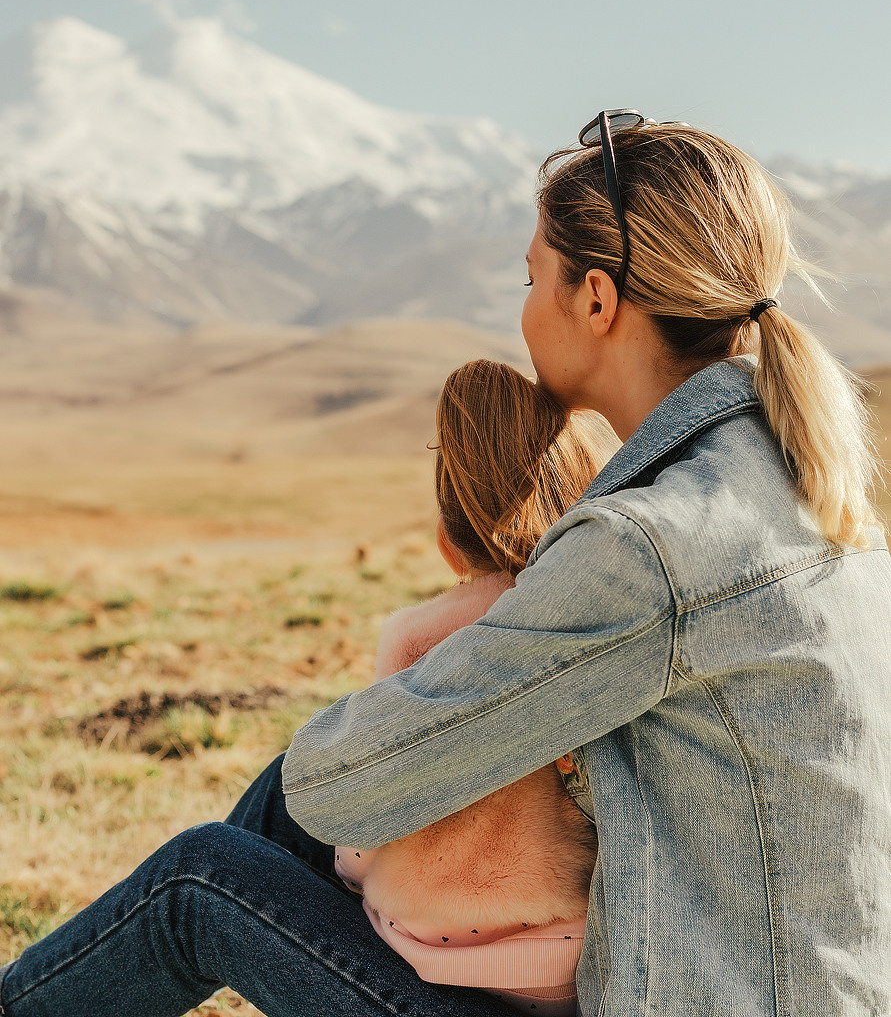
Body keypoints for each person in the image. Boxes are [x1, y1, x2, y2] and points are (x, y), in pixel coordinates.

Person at [2, 111, 890, 1017]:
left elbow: (344, 788)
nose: (522, 306)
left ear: (595, 300)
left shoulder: (651, 545)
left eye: (530, 277)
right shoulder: (797, 490)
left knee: (202, 879)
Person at [335, 359, 616, 1016]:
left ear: (445, 540)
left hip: (437, 959)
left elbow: (367, 822)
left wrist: (346, 866)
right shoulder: (592, 617)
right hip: (573, 961)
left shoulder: (419, 636)